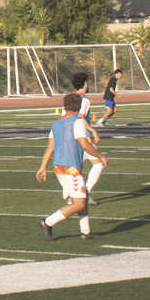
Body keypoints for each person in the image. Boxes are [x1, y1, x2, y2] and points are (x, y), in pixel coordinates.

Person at [37, 92, 108, 240]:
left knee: (83, 197)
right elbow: (84, 144)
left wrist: (43, 167)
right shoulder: (78, 121)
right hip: (71, 169)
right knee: (79, 203)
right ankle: (48, 222)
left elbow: (50, 147)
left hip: (59, 167)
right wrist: (100, 156)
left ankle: (86, 232)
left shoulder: (56, 124)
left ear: (65, 106)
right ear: (79, 106)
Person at [71, 73, 106, 204]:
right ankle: (84, 192)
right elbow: (80, 116)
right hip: (83, 138)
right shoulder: (84, 100)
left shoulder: (70, 98)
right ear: (84, 83)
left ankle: (73, 194)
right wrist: (92, 131)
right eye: (87, 82)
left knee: (75, 168)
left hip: (71, 138)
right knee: (99, 163)